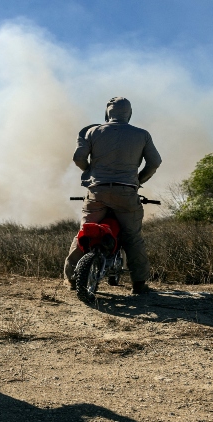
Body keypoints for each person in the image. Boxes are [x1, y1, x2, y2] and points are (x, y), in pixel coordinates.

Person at [63, 97, 162, 295]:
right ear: (129, 113)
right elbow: (155, 162)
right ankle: (139, 284)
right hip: (126, 192)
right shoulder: (142, 135)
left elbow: (78, 157)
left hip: (97, 191)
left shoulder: (92, 131)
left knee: (85, 231)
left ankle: (71, 278)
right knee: (132, 237)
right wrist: (138, 181)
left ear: (108, 112)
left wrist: (90, 172)